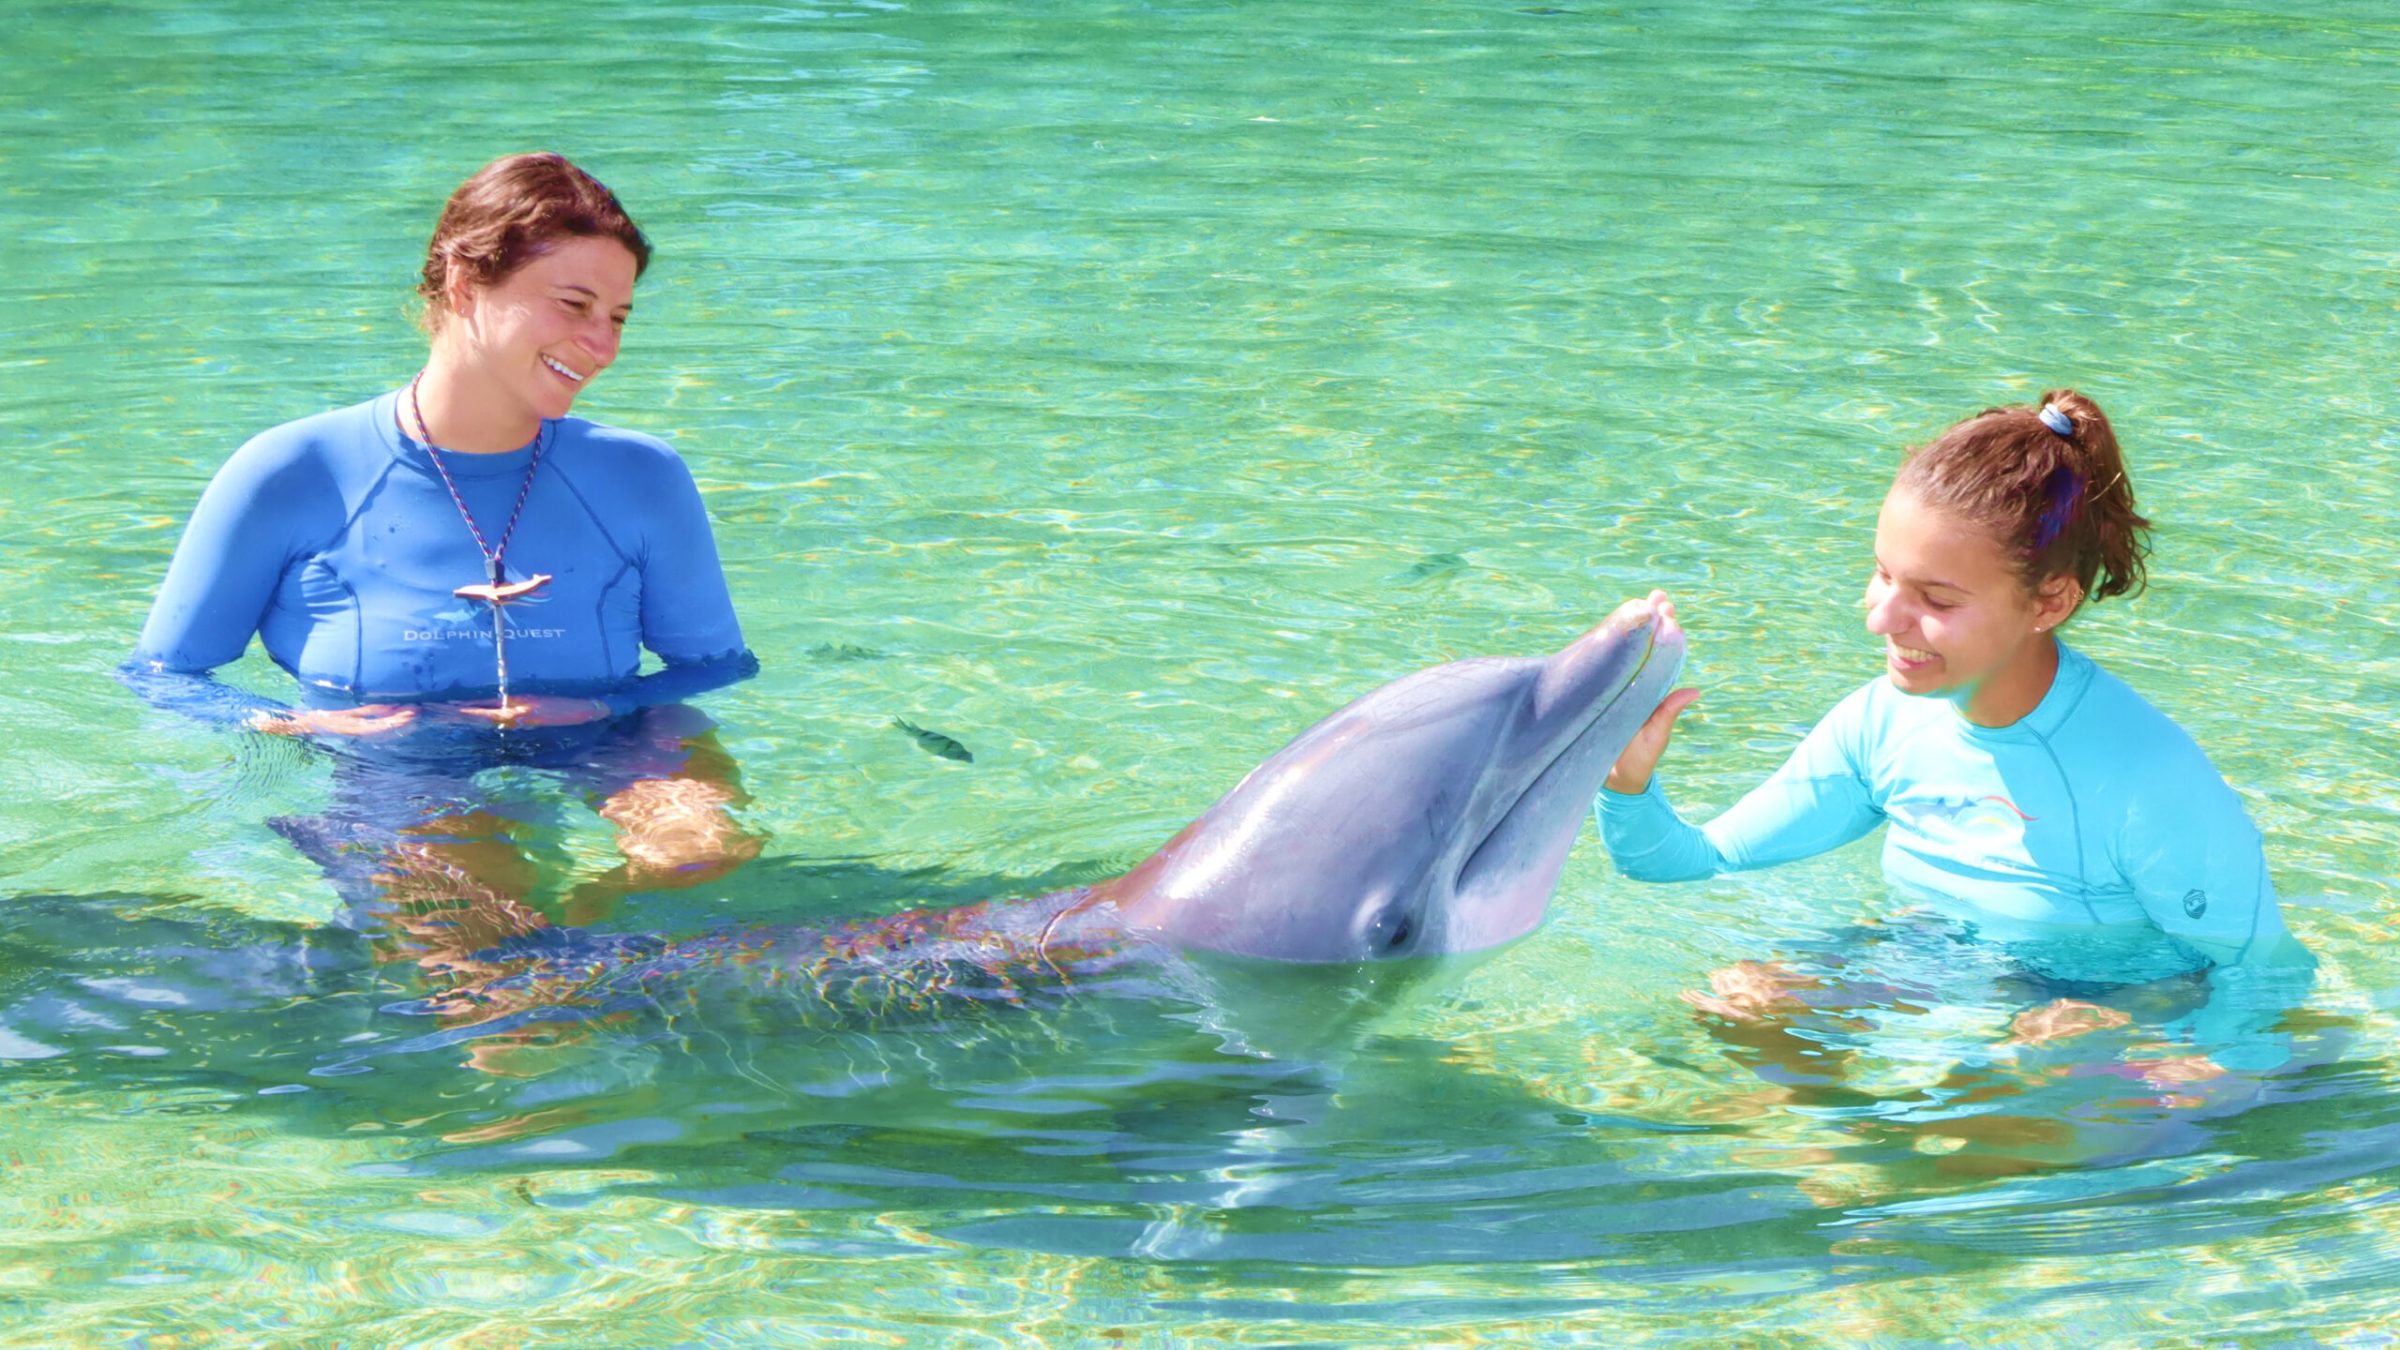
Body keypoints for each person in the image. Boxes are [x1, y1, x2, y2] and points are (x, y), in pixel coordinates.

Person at [122, 152, 761, 939]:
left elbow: (717, 667)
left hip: (613, 740)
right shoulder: (291, 471)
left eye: (619, 317)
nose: (603, 346)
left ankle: (591, 946)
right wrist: (301, 726)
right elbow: (166, 679)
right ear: (465, 285)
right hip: (398, 768)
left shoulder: (643, 476)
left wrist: (601, 705)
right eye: (575, 305)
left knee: (699, 857)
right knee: (479, 941)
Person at [1595, 389, 2308, 1025]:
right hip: (1951, 967)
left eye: (1935, 600)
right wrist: (1623, 783)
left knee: (2049, 1049)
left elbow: (2269, 973)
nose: (1881, 619)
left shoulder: (2145, 775)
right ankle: (1830, 1161)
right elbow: (1691, 860)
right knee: (1744, 999)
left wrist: (2219, 1066)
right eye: (1882, 574)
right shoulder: (1880, 724)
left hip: (2103, 1007)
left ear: (2050, 601)